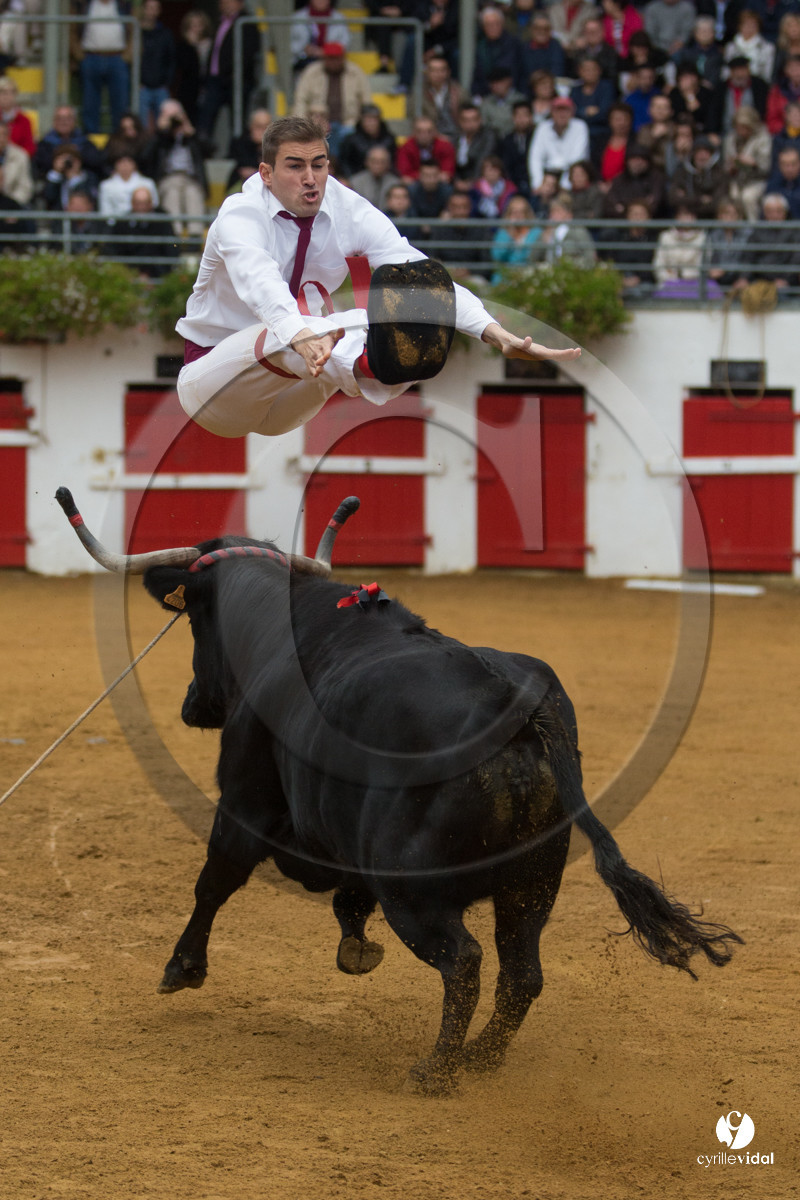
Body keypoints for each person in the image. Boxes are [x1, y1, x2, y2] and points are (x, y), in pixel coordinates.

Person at [175, 115, 579, 440]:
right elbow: (259, 280)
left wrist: (493, 331)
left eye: (319, 165)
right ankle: (369, 359)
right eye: (295, 166)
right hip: (212, 386)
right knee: (321, 327)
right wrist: (302, 333)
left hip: (293, 388)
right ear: (266, 173)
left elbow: (417, 273)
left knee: (392, 310)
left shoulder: (345, 205)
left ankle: (383, 364)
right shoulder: (240, 213)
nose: (310, 178)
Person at [195, 0, 260, 145]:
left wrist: (231, 72)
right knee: (206, 117)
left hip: (236, 80)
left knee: (237, 120)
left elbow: (248, 53)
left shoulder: (246, 23)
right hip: (215, 79)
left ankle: (237, 149)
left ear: (239, 3)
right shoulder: (221, 22)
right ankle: (203, 148)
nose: (224, 4)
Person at [293, 42, 372, 157]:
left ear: (343, 58)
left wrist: (360, 123)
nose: (333, 62)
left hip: (349, 123)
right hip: (316, 124)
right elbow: (300, 101)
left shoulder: (356, 73)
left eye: (336, 58)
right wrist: (303, 125)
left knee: (350, 138)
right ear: (324, 58)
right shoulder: (311, 72)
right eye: (330, 58)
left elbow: (366, 102)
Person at [141, 98, 208, 235]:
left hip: (191, 179)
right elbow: (144, 158)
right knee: (172, 193)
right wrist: (160, 133)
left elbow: (211, 150)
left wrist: (191, 133)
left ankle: (195, 237)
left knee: (193, 193)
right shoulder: (159, 138)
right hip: (168, 178)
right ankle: (174, 236)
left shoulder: (191, 137)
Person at [70, 0, 132, 135]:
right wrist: (79, 55)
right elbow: (72, 29)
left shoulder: (123, 4)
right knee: (90, 103)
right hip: (91, 57)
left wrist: (127, 55)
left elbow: (133, 30)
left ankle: (120, 138)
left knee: (120, 104)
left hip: (117, 58)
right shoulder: (85, 4)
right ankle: (91, 138)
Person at [105, 184, 180, 277]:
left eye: (145, 203)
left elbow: (172, 249)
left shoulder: (162, 222)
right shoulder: (122, 224)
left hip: (158, 274)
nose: (141, 207)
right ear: (132, 204)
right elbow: (113, 250)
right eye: (138, 203)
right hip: (129, 274)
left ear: (151, 204)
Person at [736, 191, 800, 293]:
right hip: (759, 280)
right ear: (765, 213)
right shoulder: (757, 232)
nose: (775, 215)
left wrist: (785, 279)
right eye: (770, 211)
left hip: (786, 283)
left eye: (779, 211)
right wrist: (744, 278)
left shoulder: (794, 231)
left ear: (785, 212)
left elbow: (796, 259)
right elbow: (748, 257)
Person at [527, 96, 590, 191]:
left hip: (572, 178)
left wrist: (564, 186)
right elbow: (535, 158)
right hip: (548, 176)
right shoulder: (542, 128)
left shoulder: (580, 127)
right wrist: (538, 184)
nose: (562, 114)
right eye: (558, 111)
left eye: (566, 111)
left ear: (572, 113)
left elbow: (577, 160)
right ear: (551, 113)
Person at [32, 103, 106, 181]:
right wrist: (57, 164)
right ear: (54, 121)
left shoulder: (85, 142)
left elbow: (96, 162)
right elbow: (39, 166)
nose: (63, 122)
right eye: (59, 118)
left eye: (68, 118)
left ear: (75, 121)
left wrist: (76, 158)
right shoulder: (44, 144)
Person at [722, 103, 771, 219]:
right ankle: (735, 228)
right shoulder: (730, 139)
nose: (741, 131)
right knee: (733, 196)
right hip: (737, 179)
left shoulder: (763, 138)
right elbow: (726, 165)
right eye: (738, 127)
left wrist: (754, 163)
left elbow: (766, 167)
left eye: (744, 127)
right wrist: (732, 166)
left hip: (757, 180)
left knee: (748, 197)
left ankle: (752, 227)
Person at [653, 201, 708, 295]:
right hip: (668, 282)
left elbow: (702, 266)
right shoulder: (665, 237)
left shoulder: (702, 238)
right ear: (676, 218)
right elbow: (658, 264)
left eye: (689, 215)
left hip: (693, 283)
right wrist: (671, 278)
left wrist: (683, 275)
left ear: (695, 218)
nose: (685, 219)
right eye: (682, 215)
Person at [667, 134, 729, 217]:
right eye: (699, 152)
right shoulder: (682, 172)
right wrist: (700, 199)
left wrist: (687, 202)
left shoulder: (719, 173)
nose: (702, 156)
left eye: (706, 152)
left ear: (711, 154)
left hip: (711, 219)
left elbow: (718, 203)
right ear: (693, 154)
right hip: (686, 219)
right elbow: (673, 198)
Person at [471, 6, 528, 96]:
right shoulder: (480, 46)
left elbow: (512, 70)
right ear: (483, 27)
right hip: (486, 94)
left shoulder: (513, 44)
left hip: (510, 92)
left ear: (502, 24)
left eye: (496, 23)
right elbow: (477, 74)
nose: (493, 27)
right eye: (488, 24)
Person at [138, 0, 175, 133]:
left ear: (159, 11)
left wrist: (167, 82)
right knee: (142, 126)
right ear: (143, 9)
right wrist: (137, 82)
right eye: (149, 8)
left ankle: (162, 146)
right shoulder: (136, 32)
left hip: (161, 87)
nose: (152, 12)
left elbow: (171, 59)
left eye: (155, 8)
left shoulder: (165, 34)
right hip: (142, 87)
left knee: (164, 126)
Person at [412, 53, 467, 144]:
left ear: (448, 72)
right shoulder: (418, 95)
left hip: (459, 138)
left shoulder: (460, 92)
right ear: (427, 72)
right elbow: (416, 120)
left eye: (442, 70)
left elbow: (467, 118)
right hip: (430, 139)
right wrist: (437, 136)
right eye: (434, 70)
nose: (438, 74)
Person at [530, 192, 597, 266]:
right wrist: (544, 240)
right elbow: (533, 258)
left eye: (558, 211)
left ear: (568, 213)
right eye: (552, 211)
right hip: (551, 269)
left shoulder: (578, 230)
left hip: (573, 269)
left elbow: (590, 255)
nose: (553, 215)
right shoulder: (548, 231)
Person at [489, 192, 541, 281]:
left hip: (528, 275)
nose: (518, 216)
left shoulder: (535, 233)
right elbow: (497, 256)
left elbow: (532, 256)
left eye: (521, 212)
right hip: (505, 277)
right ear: (509, 215)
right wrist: (511, 235)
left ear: (527, 214)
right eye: (514, 212)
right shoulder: (503, 233)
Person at [174, 9, 212, 126]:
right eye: (192, 25)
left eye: (199, 25)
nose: (196, 29)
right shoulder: (183, 46)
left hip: (207, 86)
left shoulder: (210, 44)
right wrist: (191, 47)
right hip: (188, 89)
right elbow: (185, 67)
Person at [290, 0, 351, 74]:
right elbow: (290, 44)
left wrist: (325, 51)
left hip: (331, 64)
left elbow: (344, 44)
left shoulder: (339, 18)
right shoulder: (297, 17)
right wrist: (305, 49)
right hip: (302, 63)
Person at [337, 104, 396, 180]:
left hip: (384, 178)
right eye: (368, 119)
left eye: (374, 119)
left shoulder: (389, 140)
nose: (371, 123)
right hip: (357, 179)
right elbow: (344, 163)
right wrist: (350, 179)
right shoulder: (351, 140)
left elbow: (394, 163)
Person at [705, 196, 751, 289]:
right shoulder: (713, 235)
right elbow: (710, 259)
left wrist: (743, 278)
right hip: (718, 278)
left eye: (734, 214)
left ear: (740, 216)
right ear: (719, 216)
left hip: (740, 277)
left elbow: (749, 260)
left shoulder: (748, 234)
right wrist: (710, 271)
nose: (730, 218)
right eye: (726, 213)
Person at [612, 199, 656, 294]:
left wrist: (638, 279)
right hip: (622, 280)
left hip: (645, 282)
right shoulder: (619, 238)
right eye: (634, 214)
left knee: (639, 291)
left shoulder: (654, 239)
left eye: (641, 214)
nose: (638, 218)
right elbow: (613, 262)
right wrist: (622, 280)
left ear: (648, 218)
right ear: (628, 217)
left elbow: (654, 266)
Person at [453, 102, 499, 192]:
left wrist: (471, 182)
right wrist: (456, 181)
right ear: (460, 121)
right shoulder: (455, 138)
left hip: (479, 180)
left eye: (474, 120)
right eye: (466, 120)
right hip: (458, 182)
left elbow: (482, 161)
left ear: (480, 120)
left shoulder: (488, 137)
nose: (470, 123)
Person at [395, 115, 455, 182]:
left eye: (429, 131)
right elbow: (405, 174)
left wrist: (425, 177)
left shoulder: (445, 146)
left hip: (438, 183)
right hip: (416, 183)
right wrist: (429, 177)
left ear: (435, 132)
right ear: (413, 132)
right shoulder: (405, 147)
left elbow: (447, 173)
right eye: (419, 131)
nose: (424, 135)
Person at [98, 151, 158, 216]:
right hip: (115, 220)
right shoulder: (106, 185)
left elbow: (154, 204)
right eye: (121, 162)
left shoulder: (148, 183)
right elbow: (105, 210)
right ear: (116, 165)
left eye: (128, 162)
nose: (125, 166)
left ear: (134, 164)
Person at [226, 107, 271, 191]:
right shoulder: (240, 144)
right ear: (251, 126)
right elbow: (244, 171)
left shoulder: (275, 147)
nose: (263, 131)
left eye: (266, 127)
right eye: (259, 126)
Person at [724, 9, 775, 83]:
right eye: (746, 25)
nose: (749, 28)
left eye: (753, 25)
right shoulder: (730, 47)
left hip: (757, 85)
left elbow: (767, 74)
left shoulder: (768, 48)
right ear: (739, 27)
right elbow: (725, 71)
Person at [500, 99, 535, 196]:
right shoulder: (507, 140)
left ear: (531, 117)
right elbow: (506, 165)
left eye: (525, 115)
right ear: (513, 118)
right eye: (518, 116)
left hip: (533, 182)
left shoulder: (537, 137)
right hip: (513, 184)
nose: (522, 119)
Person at [348, 143, 400, 208]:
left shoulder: (395, 183)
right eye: (374, 161)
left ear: (388, 164)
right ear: (366, 162)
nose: (378, 165)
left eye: (382, 162)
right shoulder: (355, 182)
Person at [470, 154, 516, 219]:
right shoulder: (475, 189)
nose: (492, 173)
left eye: (495, 170)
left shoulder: (510, 188)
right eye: (489, 170)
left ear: (500, 172)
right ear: (483, 171)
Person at [522, 13, 566, 78]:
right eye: (538, 28)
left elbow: (557, 71)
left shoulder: (556, 46)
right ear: (531, 29)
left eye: (546, 29)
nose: (542, 32)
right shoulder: (524, 48)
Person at [0, 74, 34, 156]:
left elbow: (29, 148)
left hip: (16, 159)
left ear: (16, 95)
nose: (6, 96)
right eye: (3, 92)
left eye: (10, 93)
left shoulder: (24, 121)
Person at [764, 143, 800, 216]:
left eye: (793, 164)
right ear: (779, 165)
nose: (790, 169)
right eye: (786, 165)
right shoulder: (773, 184)